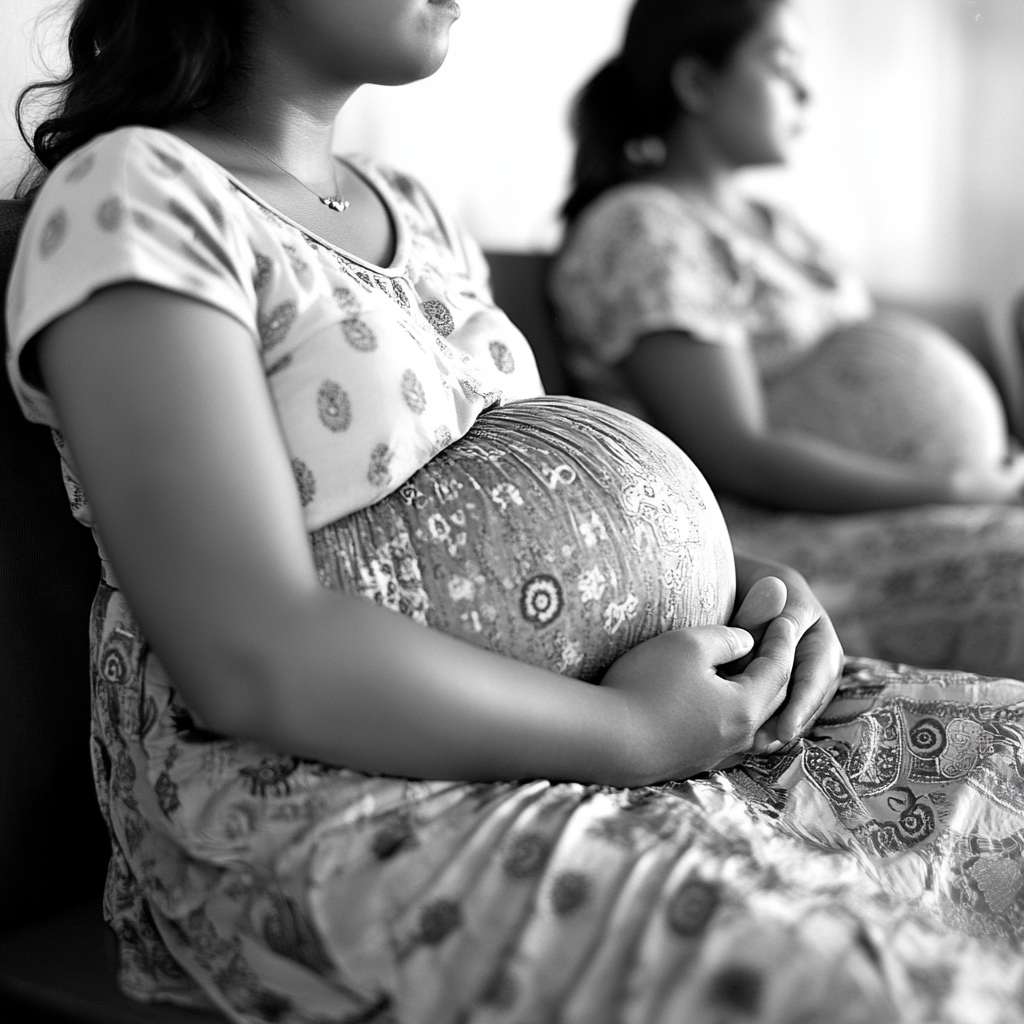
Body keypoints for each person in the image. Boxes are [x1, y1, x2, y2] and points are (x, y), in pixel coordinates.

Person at [7, 2, 1024, 1021]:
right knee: (877, 994)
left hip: (620, 726)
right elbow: (244, 653)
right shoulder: (138, 191)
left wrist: (756, 583)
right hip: (347, 784)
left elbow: (551, 485)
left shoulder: (412, 206)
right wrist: (631, 733)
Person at [551, 0, 1024, 680]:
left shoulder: (782, 229)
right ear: (697, 85)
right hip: (776, 538)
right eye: (782, 65)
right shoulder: (643, 229)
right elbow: (737, 453)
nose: (807, 90)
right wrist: (953, 482)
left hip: (886, 509)